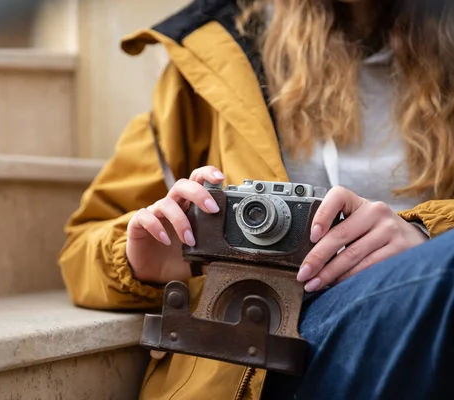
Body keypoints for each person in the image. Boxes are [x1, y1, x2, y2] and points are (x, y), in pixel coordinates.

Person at [59, 0, 454, 398]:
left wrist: (427, 231)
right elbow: (81, 248)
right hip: (260, 352)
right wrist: (140, 261)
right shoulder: (215, 55)